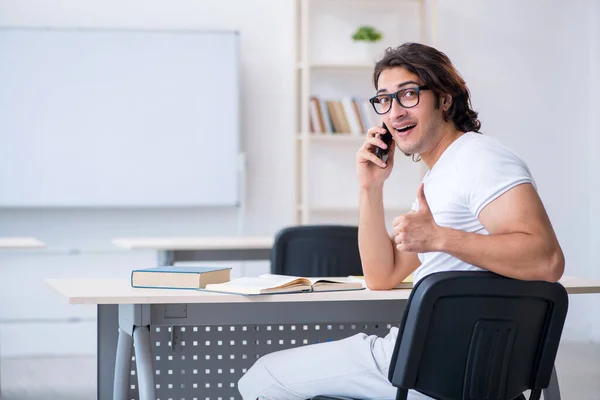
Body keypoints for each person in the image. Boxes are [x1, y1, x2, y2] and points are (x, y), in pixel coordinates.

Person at [237, 42, 565, 400]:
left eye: (408, 94)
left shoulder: (480, 159)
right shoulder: (441, 176)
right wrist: (369, 188)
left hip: (434, 366)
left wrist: (441, 238)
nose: (394, 112)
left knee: (262, 377)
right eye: (384, 100)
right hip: (449, 365)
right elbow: (382, 276)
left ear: (444, 98)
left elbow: (546, 260)